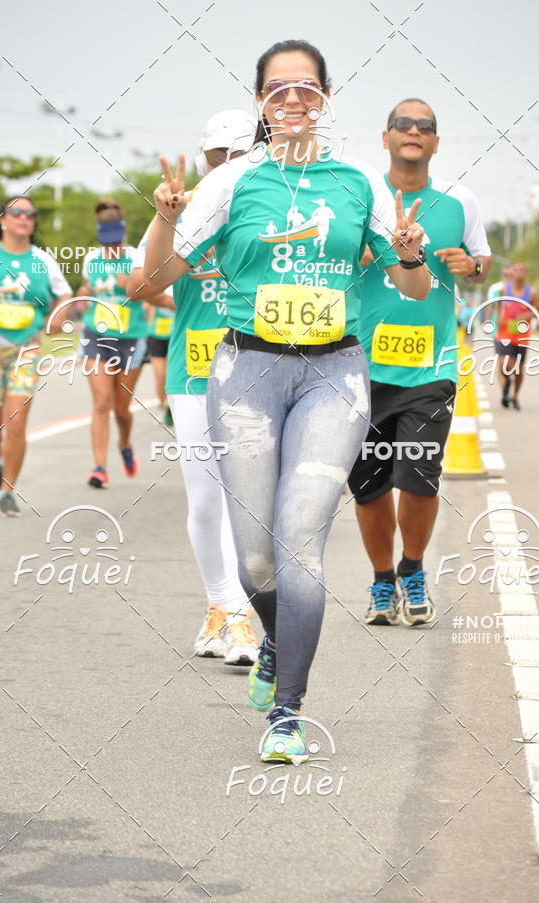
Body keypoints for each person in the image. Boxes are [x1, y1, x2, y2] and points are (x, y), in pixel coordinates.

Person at [141, 40, 429, 762]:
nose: (293, 100)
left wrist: (413, 254)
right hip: (246, 373)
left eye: (307, 88)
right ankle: (273, 639)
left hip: (336, 372)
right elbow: (150, 282)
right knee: (257, 560)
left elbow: (414, 286)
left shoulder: (358, 181)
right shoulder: (232, 185)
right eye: (277, 90)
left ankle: (287, 711)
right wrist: (166, 217)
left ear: (326, 98)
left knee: (299, 541)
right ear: (261, 103)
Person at [348, 98, 491, 628]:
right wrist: (365, 254)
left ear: (435, 142)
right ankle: (382, 580)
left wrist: (470, 265)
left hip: (432, 367)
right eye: (403, 125)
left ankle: (412, 569)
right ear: (385, 138)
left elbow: (480, 260)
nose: (414, 131)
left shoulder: (459, 201)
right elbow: (335, 259)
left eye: (425, 126)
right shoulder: (361, 196)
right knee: (369, 484)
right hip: (360, 366)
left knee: (419, 478)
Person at [128, 108, 259, 667]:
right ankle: (223, 608)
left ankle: (237, 615)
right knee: (207, 501)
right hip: (194, 371)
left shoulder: (271, 209)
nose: (226, 167)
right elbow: (140, 286)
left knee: (250, 504)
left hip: (260, 367)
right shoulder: (184, 212)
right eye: (217, 158)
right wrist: (164, 219)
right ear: (205, 159)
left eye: (238, 156)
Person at [0, 196, 71, 515]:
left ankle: (8, 491)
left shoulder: (42, 260)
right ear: (2, 219)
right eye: (17, 213)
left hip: (27, 347)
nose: (25, 218)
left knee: (17, 420)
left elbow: (64, 293)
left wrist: (56, 316)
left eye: (31, 214)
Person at [78, 199, 147, 487]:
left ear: (124, 232)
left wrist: (131, 285)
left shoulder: (137, 257)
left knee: (121, 409)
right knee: (102, 402)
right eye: (107, 241)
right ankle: (99, 468)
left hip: (131, 337)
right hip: (96, 334)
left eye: (116, 240)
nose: (112, 246)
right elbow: (87, 288)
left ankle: (125, 443)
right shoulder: (90, 259)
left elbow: (150, 294)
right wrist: (82, 295)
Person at [494, 262, 539, 410]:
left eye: (521, 270)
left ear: (526, 273)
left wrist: (526, 314)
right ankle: (507, 383)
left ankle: (514, 396)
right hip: (505, 334)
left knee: (519, 370)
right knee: (504, 363)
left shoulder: (532, 292)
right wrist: (498, 317)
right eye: (516, 271)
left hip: (522, 337)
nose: (518, 273)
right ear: (512, 273)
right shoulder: (504, 290)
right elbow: (498, 305)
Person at [145, 295, 175, 426]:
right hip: (156, 335)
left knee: (170, 374)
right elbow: (147, 305)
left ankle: (171, 407)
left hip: (173, 335)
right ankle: (162, 405)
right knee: (160, 375)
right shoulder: (159, 284)